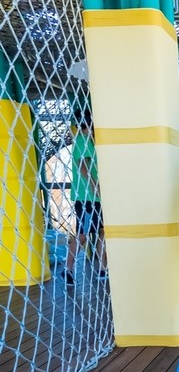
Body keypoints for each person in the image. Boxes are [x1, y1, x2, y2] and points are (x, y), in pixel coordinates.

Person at [64, 111, 107, 285]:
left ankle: (102, 269)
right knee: (83, 235)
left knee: (102, 231)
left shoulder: (89, 141)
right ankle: (67, 270)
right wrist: (94, 185)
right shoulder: (82, 140)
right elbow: (82, 165)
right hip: (87, 197)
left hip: (95, 198)